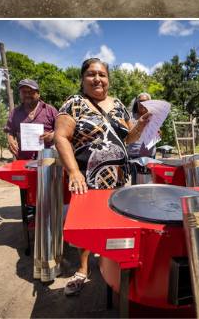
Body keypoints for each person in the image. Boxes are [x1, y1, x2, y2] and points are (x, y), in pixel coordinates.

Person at [54, 58, 149, 295]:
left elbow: (129, 138)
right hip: (87, 178)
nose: (97, 78)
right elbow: (61, 137)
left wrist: (142, 125)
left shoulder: (118, 105)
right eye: (91, 74)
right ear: (83, 78)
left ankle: (111, 267)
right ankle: (83, 269)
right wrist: (74, 172)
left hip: (119, 178)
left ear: (108, 79)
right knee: (88, 226)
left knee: (116, 222)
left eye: (102, 74)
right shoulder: (74, 103)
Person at [3, 79, 59, 160]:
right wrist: (11, 140)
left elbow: (62, 131)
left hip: (47, 161)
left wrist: (52, 136)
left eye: (31, 92)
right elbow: (10, 131)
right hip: (23, 161)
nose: (27, 95)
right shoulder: (15, 112)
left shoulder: (50, 110)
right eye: (23, 92)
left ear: (38, 94)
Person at [126, 92, 154, 159]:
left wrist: (158, 133)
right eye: (140, 101)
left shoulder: (154, 117)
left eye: (145, 102)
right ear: (137, 102)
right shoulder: (129, 117)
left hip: (149, 155)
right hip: (132, 155)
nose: (142, 104)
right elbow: (127, 135)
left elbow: (159, 134)